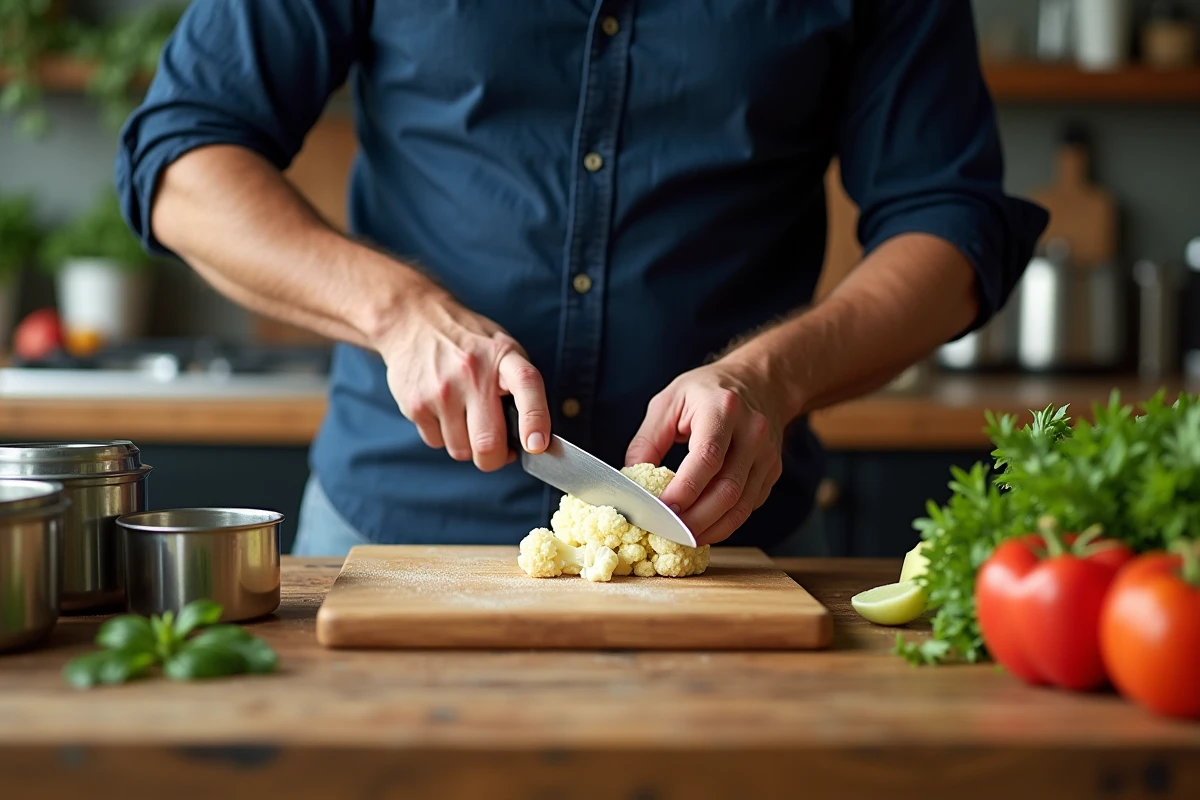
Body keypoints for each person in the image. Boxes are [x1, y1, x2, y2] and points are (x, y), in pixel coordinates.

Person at [116, 1, 1047, 557]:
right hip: (390, 533)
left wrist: (774, 375)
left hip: (728, 549)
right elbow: (184, 157)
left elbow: (949, 221)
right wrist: (398, 312)